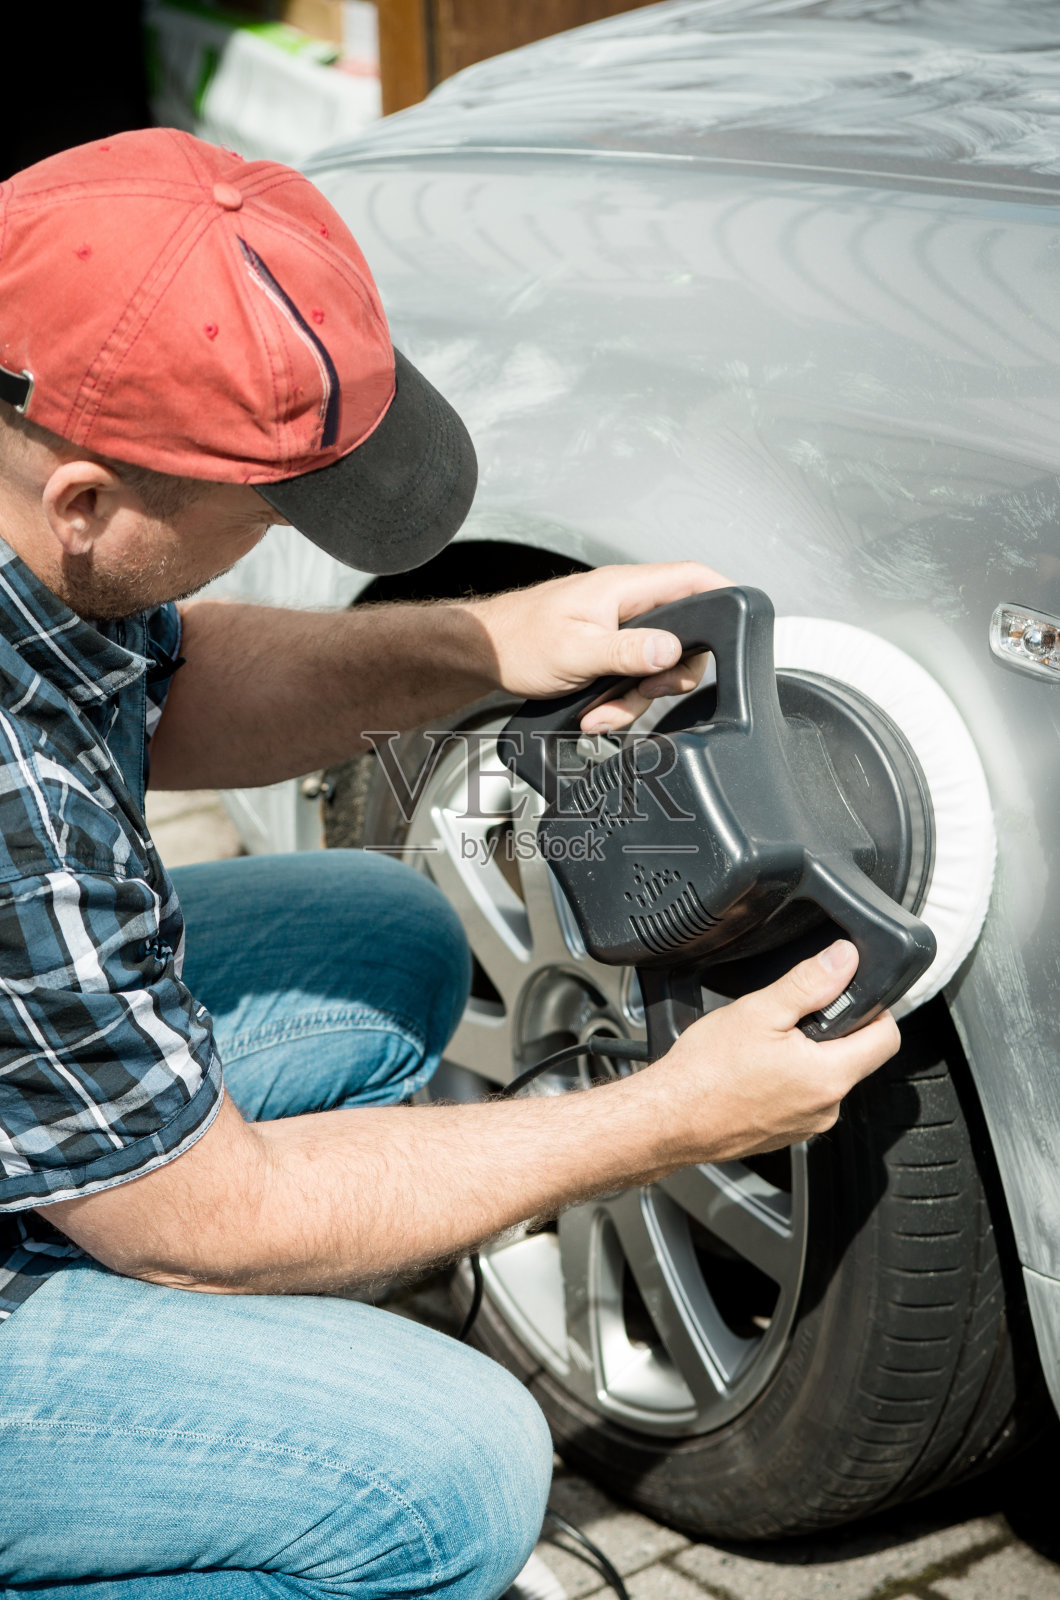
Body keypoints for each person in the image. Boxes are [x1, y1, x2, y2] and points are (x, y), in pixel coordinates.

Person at [0, 130, 900, 1597]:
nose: (286, 532)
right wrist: (665, 1118)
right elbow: (206, 1218)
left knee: (381, 938)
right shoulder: (16, 804)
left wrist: (488, 641)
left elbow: (157, 682)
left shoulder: (41, 534)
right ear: (87, 503)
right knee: (446, 1479)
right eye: (272, 505)